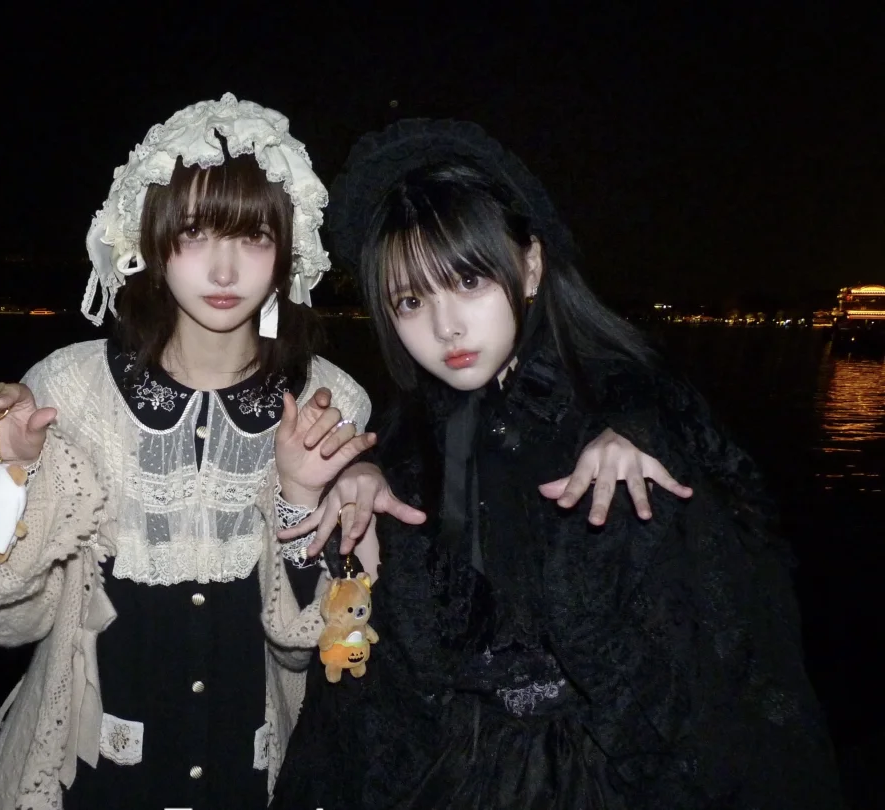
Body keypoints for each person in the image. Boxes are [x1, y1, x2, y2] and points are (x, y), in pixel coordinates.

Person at [0, 95, 686, 810]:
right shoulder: (69, 388)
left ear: (288, 251)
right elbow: (6, 620)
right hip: (83, 777)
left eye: (253, 238)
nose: (224, 271)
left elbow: (318, 649)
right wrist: (9, 473)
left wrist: (299, 500)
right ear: (149, 243)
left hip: (258, 774)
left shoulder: (334, 402)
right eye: (194, 235)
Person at [270, 119, 846, 809]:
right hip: (454, 767)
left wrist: (636, 435)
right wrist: (360, 481)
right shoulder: (412, 437)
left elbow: (722, 647)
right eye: (412, 301)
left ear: (532, 266)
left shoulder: (631, 417)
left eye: (469, 280)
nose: (446, 327)